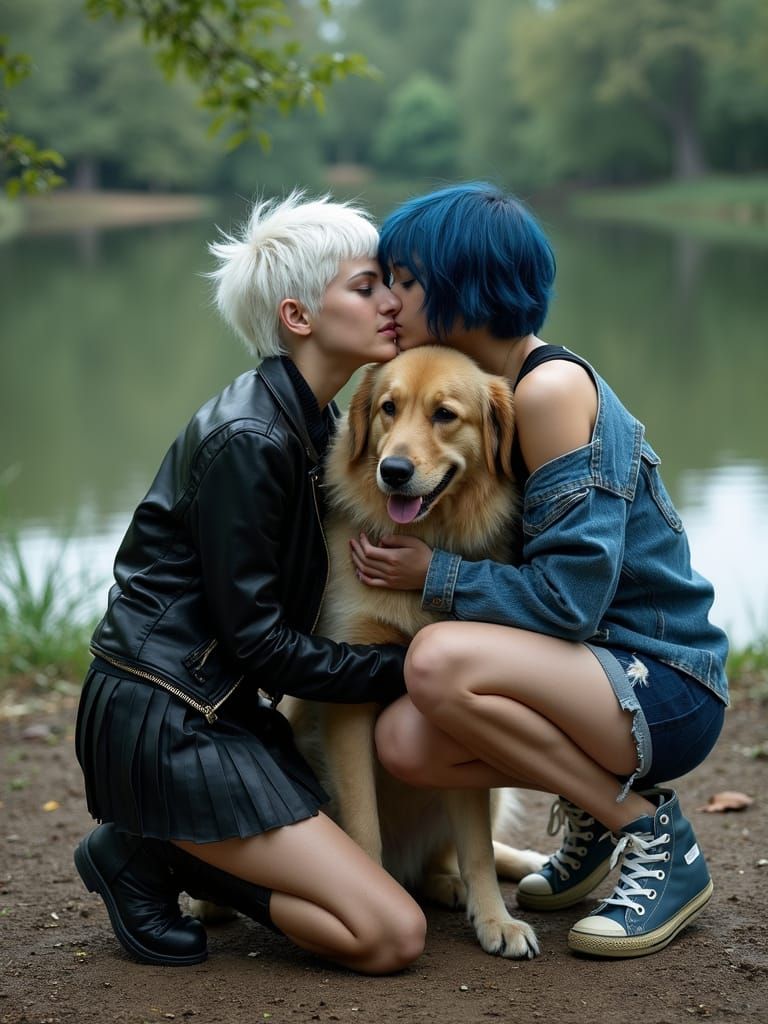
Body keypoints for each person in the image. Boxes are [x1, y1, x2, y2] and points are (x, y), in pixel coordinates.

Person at [349, 182, 729, 959]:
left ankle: (653, 837)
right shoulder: (491, 392)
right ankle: (593, 820)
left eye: (407, 281)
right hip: (594, 678)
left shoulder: (549, 391)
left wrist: (433, 576)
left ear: (465, 288)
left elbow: (570, 602)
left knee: (437, 657)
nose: (389, 298)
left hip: (663, 684)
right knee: (405, 743)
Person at [73, 192, 427, 974]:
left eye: (388, 284)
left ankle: (163, 848)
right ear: (299, 316)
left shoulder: (320, 424)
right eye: (365, 287)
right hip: (168, 719)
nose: (391, 301)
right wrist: (407, 669)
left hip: (219, 709)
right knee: (390, 936)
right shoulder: (252, 437)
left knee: (381, 915)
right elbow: (261, 643)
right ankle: (151, 852)